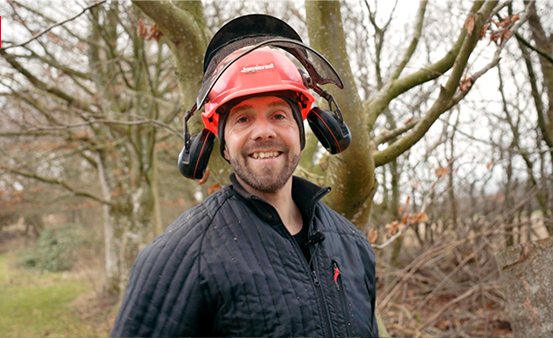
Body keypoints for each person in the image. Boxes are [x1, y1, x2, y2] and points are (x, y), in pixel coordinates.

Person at [111, 14, 378, 338]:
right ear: (219, 142)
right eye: (242, 119)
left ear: (305, 128)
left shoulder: (353, 246)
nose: (263, 132)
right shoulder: (178, 256)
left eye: (278, 115)